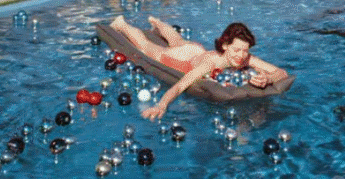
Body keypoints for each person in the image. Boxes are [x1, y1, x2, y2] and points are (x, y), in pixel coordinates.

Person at [107, 15, 288, 120]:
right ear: (225, 46)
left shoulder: (245, 57)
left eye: (245, 51)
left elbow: (281, 72)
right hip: (180, 59)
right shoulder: (210, 64)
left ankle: (159, 24)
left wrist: (269, 78)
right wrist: (161, 105)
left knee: (178, 41)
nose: (241, 56)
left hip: (197, 51)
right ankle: (121, 23)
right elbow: (180, 85)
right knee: (147, 47)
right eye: (237, 50)